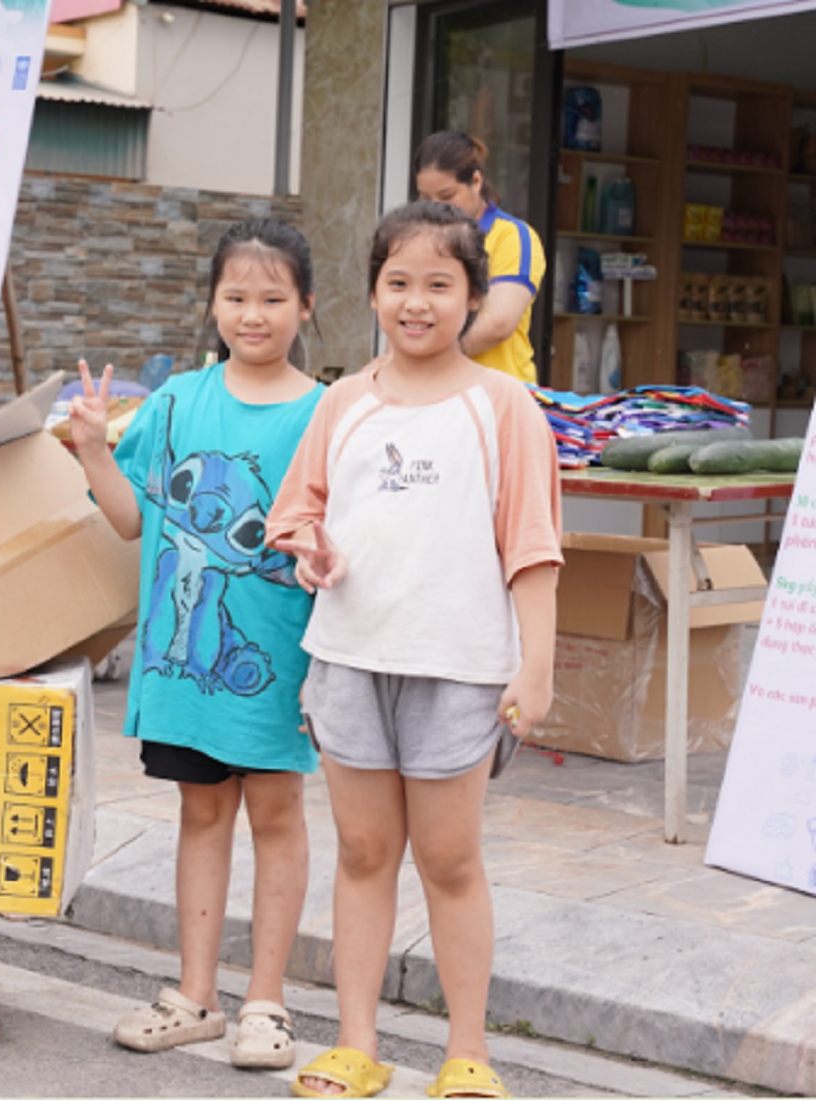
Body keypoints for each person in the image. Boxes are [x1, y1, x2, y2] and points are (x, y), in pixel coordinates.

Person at [267, 200, 561, 1100]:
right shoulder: (342, 402)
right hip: (351, 660)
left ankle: (468, 1051)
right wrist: (308, 547)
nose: (417, 302)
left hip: (461, 668)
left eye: (440, 284)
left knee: (450, 859)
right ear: (372, 293)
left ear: (472, 298)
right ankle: (358, 1044)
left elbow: (533, 545)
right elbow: (295, 515)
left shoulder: (504, 406)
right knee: (362, 853)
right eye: (399, 283)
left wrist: (536, 665)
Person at [71, 219, 323, 1070]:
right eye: (236, 297)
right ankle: (196, 994)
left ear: (307, 306)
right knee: (201, 813)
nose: (253, 315)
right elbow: (132, 520)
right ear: (213, 302)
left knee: (278, 818)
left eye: (273, 298)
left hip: (280, 663)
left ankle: (267, 1002)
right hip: (183, 669)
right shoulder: (177, 400)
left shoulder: (327, 414)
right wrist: (90, 449)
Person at [414, 131, 545, 386]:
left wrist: (421, 353)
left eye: (447, 196)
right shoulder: (418, 240)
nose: (435, 208)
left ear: (476, 181)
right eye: (425, 198)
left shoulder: (512, 236)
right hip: (436, 394)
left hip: (502, 397)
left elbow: (498, 323)